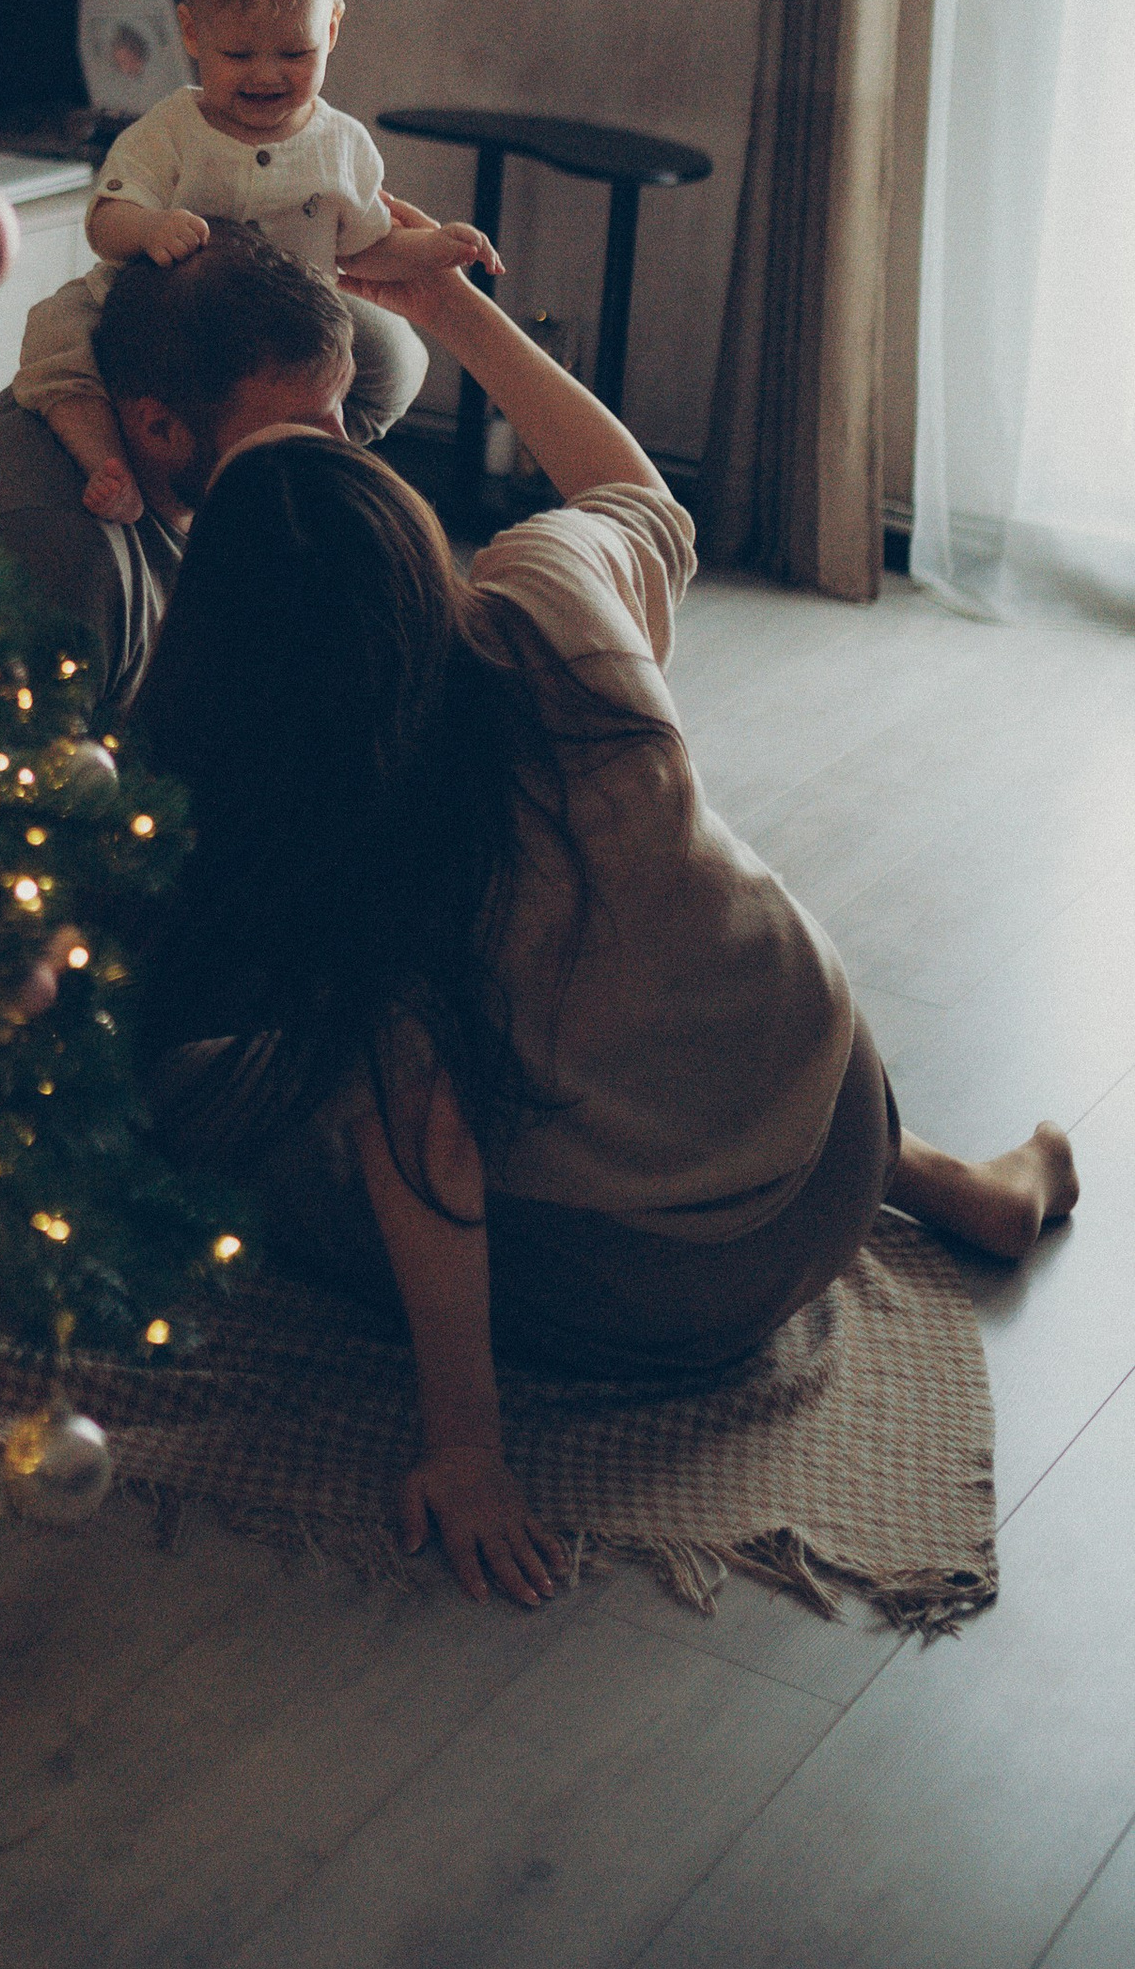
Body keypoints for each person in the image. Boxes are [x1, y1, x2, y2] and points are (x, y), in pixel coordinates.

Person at [134, 249, 1081, 1615]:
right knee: (653, 963)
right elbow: (636, 490)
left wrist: (467, 1450)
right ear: (406, 526)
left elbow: (430, 1145)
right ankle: (948, 1184)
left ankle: (925, 1191)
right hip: (839, 1111)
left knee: (231, 1103)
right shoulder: (548, 594)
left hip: (687, 1294)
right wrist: (451, 308)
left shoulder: (338, 851)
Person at [13, 0, 495, 523]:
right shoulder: (170, 130)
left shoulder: (341, 144)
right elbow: (106, 220)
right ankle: (106, 459)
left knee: (402, 356)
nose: (266, 74)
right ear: (192, 34)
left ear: (331, 28)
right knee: (54, 329)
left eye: (294, 54)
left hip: (297, 327)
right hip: (166, 321)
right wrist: (151, 228)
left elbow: (366, 246)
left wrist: (436, 247)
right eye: (238, 55)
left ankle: (310, 445)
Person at [0, 224, 355, 722]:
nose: (344, 447)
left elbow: (396, 369)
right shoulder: (66, 561)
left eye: (338, 407)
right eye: (302, 428)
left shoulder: (221, 425)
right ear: (159, 428)